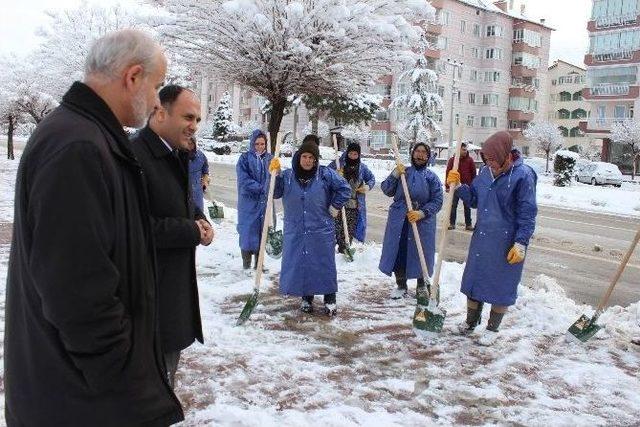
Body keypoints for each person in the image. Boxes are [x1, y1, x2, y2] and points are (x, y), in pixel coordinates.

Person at [4, 30, 184, 426]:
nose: (157, 101)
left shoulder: (87, 136)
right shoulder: (78, 147)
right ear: (133, 77)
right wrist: (118, 376)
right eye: (156, 87)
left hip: (76, 392)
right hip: (79, 399)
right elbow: (75, 288)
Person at [129, 84, 213, 390]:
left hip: (169, 299)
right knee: (150, 395)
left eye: (198, 120)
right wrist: (190, 230)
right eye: (188, 117)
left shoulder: (172, 154)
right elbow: (134, 228)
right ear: (160, 113)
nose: (193, 126)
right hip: (150, 306)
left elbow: (177, 204)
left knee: (164, 387)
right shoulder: (136, 157)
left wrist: (198, 219)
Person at [447, 131, 537, 345]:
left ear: (506, 155)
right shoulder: (485, 173)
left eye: (494, 160)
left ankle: (492, 328)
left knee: (500, 286)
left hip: (507, 242)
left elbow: (528, 213)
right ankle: (470, 322)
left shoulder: (523, 175)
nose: (491, 164)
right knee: (475, 280)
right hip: (482, 238)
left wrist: (521, 242)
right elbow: (476, 200)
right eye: (487, 160)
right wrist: (460, 187)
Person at [270, 138, 351, 315]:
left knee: (324, 264)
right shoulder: (288, 176)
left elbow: (345, 189)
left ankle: (330, 299)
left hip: (321, 228)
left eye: (311, 157)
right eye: (304, 156)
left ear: (315, 160)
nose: (308, 160)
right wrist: (274, 176)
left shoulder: (325, 174)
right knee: (302, 264)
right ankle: (307, 298)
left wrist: (335, 206)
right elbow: (274, 193)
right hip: (297, 229)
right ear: (299, 157)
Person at [379, 143, 443, 300]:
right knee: (400, 251)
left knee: (422, 252)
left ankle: (422, 285)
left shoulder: (431, 177)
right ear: (412, 154)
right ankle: (401, 285)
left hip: (422, 221)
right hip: (400, 220)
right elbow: (386, 189)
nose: (420, 155)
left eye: (424, 153)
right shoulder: (403, 173)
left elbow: (438, 200)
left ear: (428, 157)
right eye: (417, 151)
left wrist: (422, 212)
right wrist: (394, 174)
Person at [236, 129, 273, 272]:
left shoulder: (270, 159)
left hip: (264, 203)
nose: (259, 146)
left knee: (261, 232)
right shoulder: (244, 158)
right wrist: (261, 188)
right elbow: (244, 180)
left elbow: (276, 178)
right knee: (247, 232)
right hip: (248, 203)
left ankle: (259, 264)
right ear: (252, 144)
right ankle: (246, 264)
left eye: (262, 144)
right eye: (257, 144)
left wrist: (277, 172)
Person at [328, 142, 375, 251]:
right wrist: (335, 174)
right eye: (351, 154)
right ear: (347, 153)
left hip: (354, 206)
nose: (353, 156)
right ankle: (334, 252)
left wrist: (367, 187)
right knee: (336, 231)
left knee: (349, 231)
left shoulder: (362, 168)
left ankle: (344, 251)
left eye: (355, 154)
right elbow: (325, 175)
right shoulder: (337, 164)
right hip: (338, 204)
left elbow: (371, 179)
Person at [446, 142, 477, 231]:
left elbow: (474, 174)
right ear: (458, 149)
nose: (465, 151)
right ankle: (452, 223)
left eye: (466, 149)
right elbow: (448, 172)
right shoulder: (453, 160)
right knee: (453, 206)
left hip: (467, 188)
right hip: (455, 187)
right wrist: (447, 185)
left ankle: (468, 224)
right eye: (463, 149)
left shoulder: (470, 160)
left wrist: (473, 186)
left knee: (467, 206)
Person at [188, 136, 210, 212]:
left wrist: (205, 177)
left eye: (191, 143)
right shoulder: (179, 155)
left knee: (199, 211)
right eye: (188, 143)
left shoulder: (200, 155)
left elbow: (205, 167)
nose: (189, 145)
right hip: (184, 189)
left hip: (197, 189)